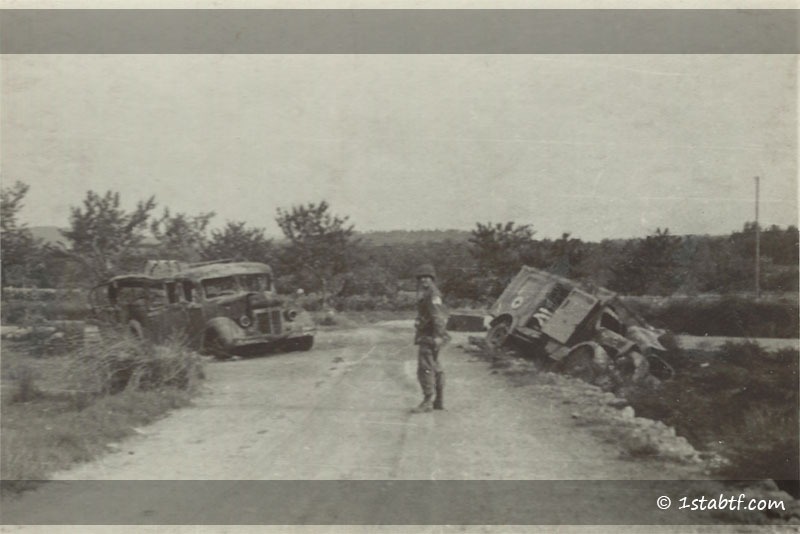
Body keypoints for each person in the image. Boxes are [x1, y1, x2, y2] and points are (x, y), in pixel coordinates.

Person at [411, 263, 450, 413]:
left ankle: (428, 401)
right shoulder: (428, 293)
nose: (423, 280)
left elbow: (438, 316)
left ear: (432, 279)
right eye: (421, 278)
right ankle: (438, 400)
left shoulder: (432, 294)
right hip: (430, 334)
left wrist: (438, 336)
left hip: (431, 336)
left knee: (425, 368)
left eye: (427, 277)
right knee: (435, 367)